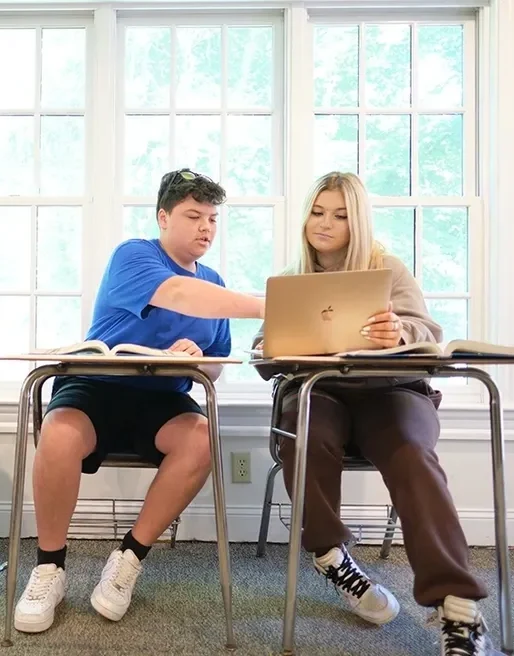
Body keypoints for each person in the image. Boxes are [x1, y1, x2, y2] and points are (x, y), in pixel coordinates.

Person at [252, 172, 501, 656]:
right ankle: (329, 555)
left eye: (340, 215)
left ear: (358, 222)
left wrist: (399, 332)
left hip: (392, 392)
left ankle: (459, 607)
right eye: (318, 211)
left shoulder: (388, 269)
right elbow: (264, 350)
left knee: (410, 453)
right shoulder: (290, 278)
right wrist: (272, 342)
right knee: (305, 434)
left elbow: (425, 329)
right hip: (319, 392)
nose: (324, 223)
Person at [14, 168, 265, 634]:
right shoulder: (135, 255)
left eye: (213, 218)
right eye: (194, 215)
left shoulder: (215, 281)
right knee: (60, 433)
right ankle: (49, 567)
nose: (206, 227)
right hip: (99, 386)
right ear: (163, 217)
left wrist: (196, 359)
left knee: (203, 439)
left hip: (161, 399)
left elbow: (214, 366)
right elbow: (178, 294)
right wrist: (271, 304)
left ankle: (129, 557)